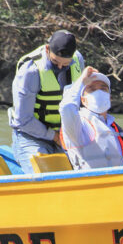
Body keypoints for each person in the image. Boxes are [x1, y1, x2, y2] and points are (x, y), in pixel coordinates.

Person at [9, 30, 85, 172]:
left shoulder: (78, 60)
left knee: (87, 169)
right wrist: (55, 137)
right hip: (30, 137)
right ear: (47, 49)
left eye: (65, 64)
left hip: (65, 136)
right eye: (55, 62)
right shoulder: (30, 71)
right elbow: (23, 120)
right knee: (43, 174)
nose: (60, 68)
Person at [58, 66, 123, 170]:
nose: (99, 92)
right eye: (91, 89)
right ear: (83, 100)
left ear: (109, 97)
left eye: (103, 88)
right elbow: (66, 107)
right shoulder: (78, 125)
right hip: (89, 183)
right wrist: (82, 81)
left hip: (118, 182)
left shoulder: (116, 128)